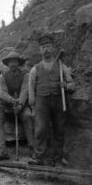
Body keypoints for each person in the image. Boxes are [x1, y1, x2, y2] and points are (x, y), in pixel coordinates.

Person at [28, 34, 75, 166]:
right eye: (43, 47)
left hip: (58, 101)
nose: (46, 49)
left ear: (53, 48)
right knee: (41, 129)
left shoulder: (62, 67)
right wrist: (32, 106)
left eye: (48, 46)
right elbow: (31, 88)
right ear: (40, 50)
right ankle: (38, 156)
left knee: (59, 129)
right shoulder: (35, 69)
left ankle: (58, 157)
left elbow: (72, 85)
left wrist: (66, 85)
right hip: (41, 102)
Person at [0, 50, 34, 159]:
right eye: (11, 62)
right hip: (5, 106)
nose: (13, 64)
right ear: (8, 64)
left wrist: (20, 104)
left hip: (21, 105)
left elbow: (25, 91)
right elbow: (3, 93)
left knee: (28, 116)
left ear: (19, 63)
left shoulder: (26, 75)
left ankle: (33, 148)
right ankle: (1, 150)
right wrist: (12, 101)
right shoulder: (2, 77)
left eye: (15, 62)